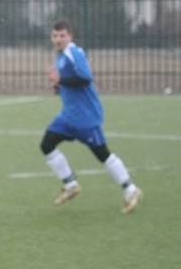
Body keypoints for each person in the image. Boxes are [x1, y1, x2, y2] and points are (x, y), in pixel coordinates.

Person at [42, 20, 143, 213]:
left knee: (102, 154)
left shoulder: (74, 52)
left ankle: (131, 190)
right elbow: (69, 84)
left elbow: (85, 78)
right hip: (68, 116)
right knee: (47, 144)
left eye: (62, 35)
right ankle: (70, 185)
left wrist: (61, 79)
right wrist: (58, 86)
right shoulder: (61, 56)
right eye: (55, 36)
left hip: (85, 117)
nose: (58, 39)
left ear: (70, 36)